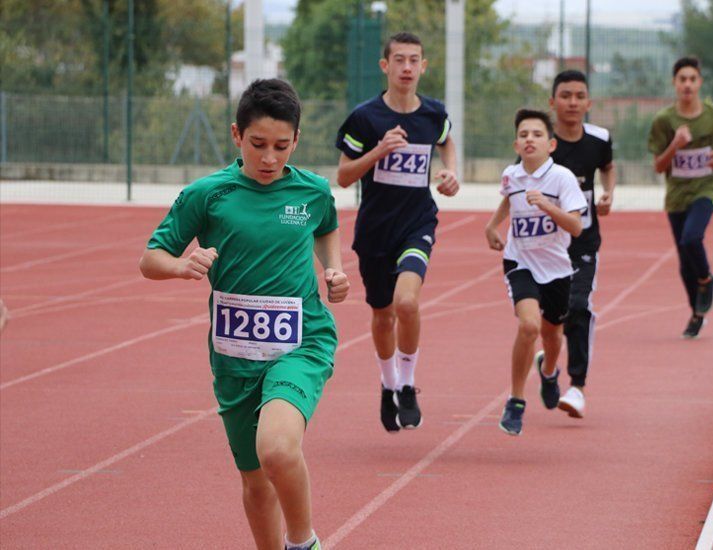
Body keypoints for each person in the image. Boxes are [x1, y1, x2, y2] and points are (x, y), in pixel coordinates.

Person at [140, 78, 348, 550]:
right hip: (234, 355)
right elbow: (150, 258)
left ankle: (304, 543)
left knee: (276, 448)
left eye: (281, 146)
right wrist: (180, 265)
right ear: (237, 135)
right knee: (255, 481)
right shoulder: (207, 195)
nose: (270, 158)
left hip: (302, 341)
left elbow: (328, 226)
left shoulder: (312, 191)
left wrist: (334, 270)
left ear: (296, 140)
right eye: (258, 145)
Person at [335, 32, 459, 433]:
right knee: (383, 314)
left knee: (407, 303)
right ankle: (387, 386)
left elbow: (447, 142)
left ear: (423, 66)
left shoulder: (433, 114)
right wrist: (378, 152)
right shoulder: (365, 118)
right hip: (375, 230)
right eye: (400, 60)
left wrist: (451, 173)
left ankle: (407, 385)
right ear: (385, 66)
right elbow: (342, 176)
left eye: (415, 60)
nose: (407, 67)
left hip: (417, 222)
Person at [485, 109, 586, 436]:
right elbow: (508, 201)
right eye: (524, 134)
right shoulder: (511, 175)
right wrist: (492, 226)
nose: (530, 139)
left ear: (551, 144)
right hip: (520, 261)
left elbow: (575, 227)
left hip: (556, 267)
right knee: (529, 325)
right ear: (517, 143)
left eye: (537, 134)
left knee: (553, 333)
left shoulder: (562, 179)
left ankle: (549, 370)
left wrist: (547, 205)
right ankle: (515, 401)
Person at [534, 69, 616, 419]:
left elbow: (608, 167)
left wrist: (609, 192)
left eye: (579, 96)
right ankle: (549, 364)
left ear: (588, 103)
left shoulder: (599, 139)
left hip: (583, 242)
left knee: (580, 307)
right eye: (565, 96)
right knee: (552, 319)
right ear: (552, 103)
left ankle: (577, 386)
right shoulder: (541, 142)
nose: (572, 102)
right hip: (544, 247)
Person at [648, 56, 713, 339]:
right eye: (682, 80)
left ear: (699, 83)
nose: (687, 84)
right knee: (684, 260)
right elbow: (659, 166)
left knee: (692, 238)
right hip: (676, 196)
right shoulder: (664, 121)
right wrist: (675, 144)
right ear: (674, 84)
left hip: (705, 189)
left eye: (692, 79)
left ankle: (707, 279)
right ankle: (696, 313)